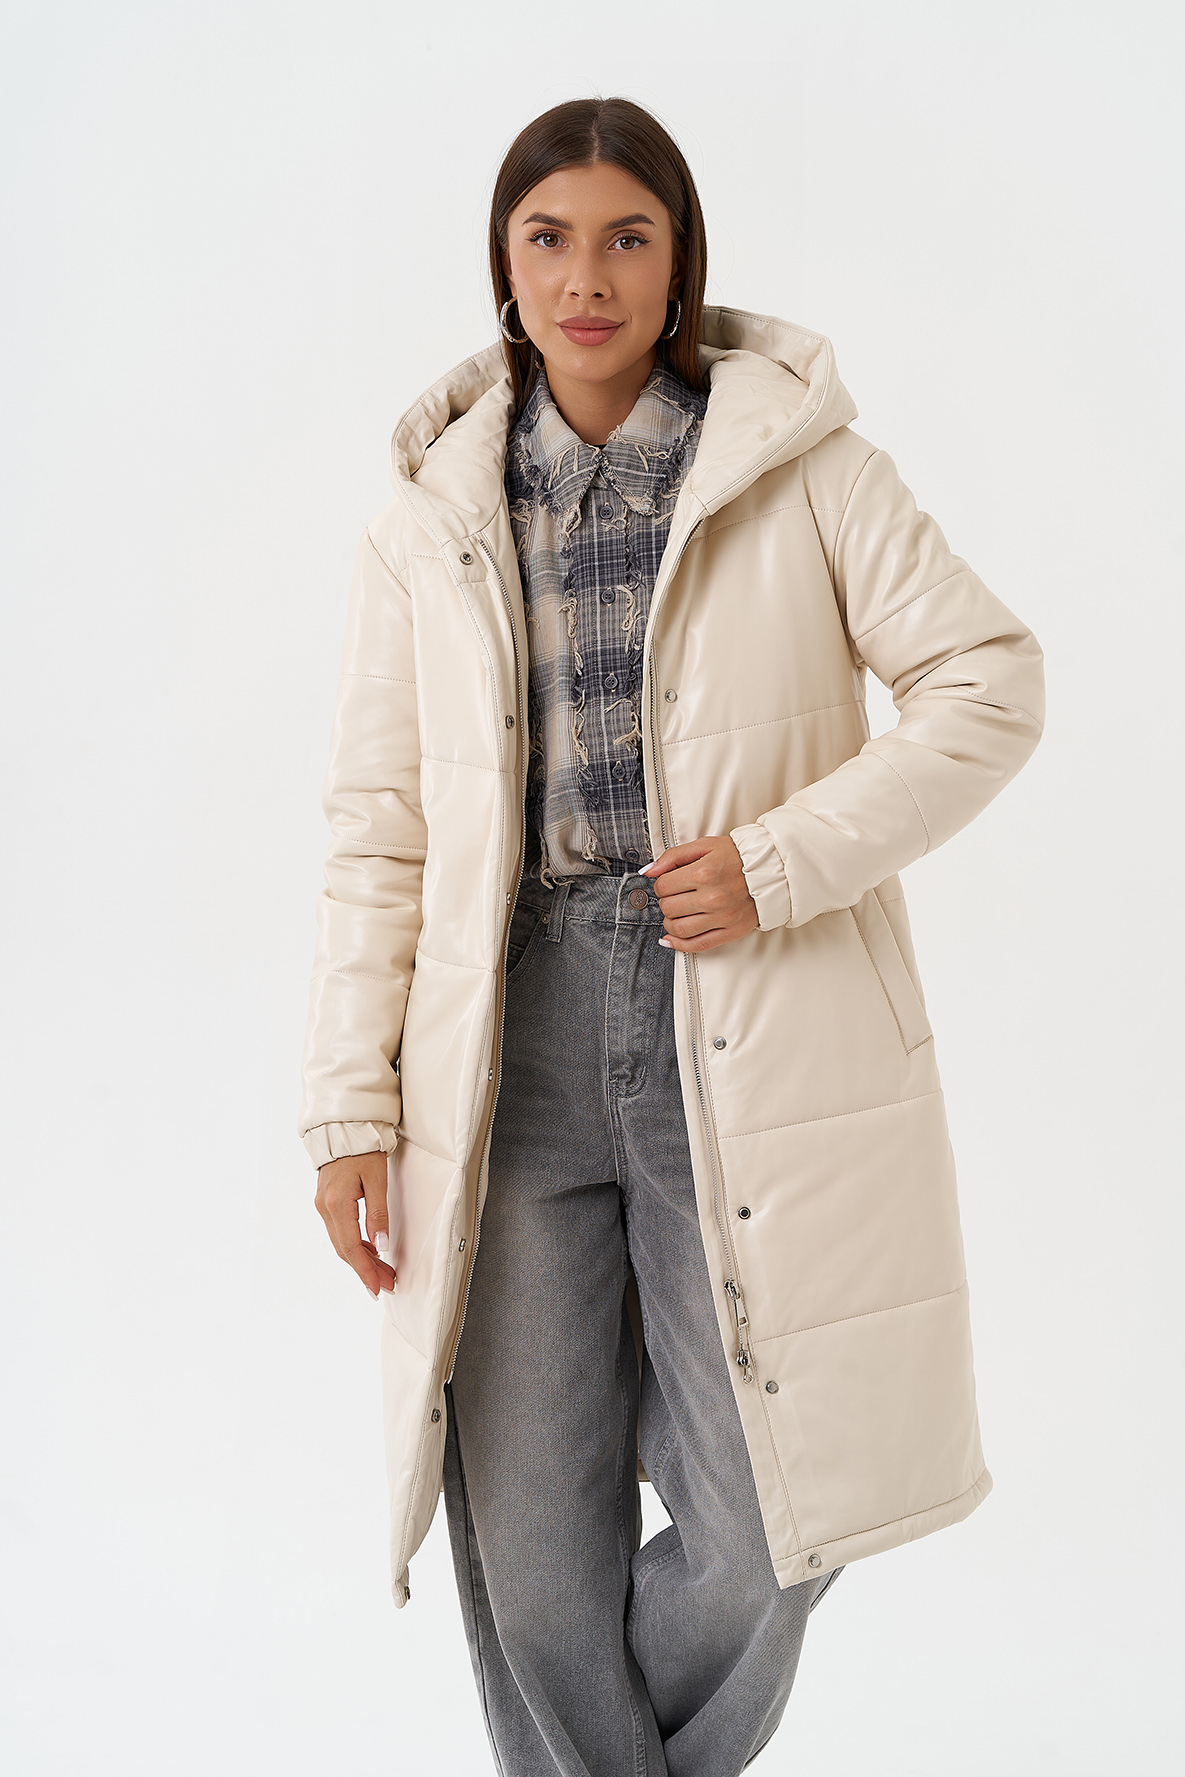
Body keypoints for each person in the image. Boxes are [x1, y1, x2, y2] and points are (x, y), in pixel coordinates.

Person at [299, 95, 1045, 1777]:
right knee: (532, 1541)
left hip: (750, 1010)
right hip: (503, 1037)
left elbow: (988, 681)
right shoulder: (430, 515)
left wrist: (779, 861)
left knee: (777, 1512)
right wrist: (348, 1101)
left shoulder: (807, 470)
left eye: (627, 237)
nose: (587, 277)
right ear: (503, 263)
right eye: (548, 237)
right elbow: (377, 826)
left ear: (679, 259)